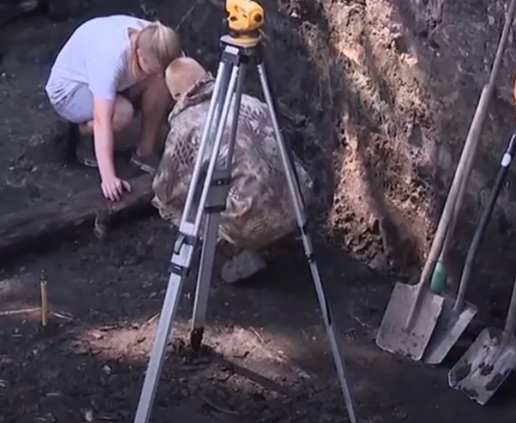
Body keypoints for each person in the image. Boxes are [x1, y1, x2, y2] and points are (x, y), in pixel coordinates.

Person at [153, 57, 314, 283]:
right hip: (300, 197)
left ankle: (235, 251)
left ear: (176, 96)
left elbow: (166, 189)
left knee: (167, 204)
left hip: (250, 221)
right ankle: (282, 236)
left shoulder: (186, 126)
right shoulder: (247, 100)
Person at [45, 15, 182, 202]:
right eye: (153, 67)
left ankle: (144, 152)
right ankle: (84, 132)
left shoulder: (160, 41)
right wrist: (108, 178)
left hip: (112, 81)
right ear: (140, 55)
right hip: (70, 90)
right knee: (121, 114)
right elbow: (103, 121)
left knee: (159, 80)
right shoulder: (111, 57)